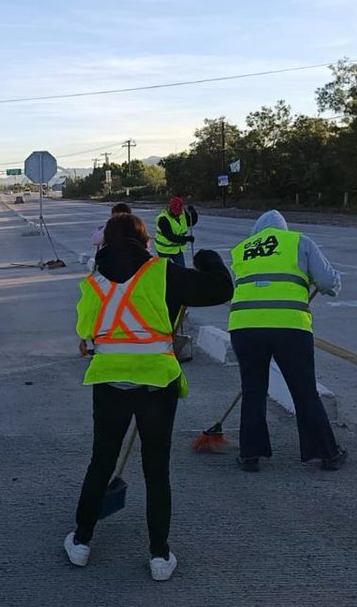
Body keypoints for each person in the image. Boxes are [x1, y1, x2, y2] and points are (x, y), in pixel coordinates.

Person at [68, 214, 233, 581]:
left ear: (106, 243)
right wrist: (207, 259)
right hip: (157, 386)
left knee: (101, 462)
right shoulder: (164, 273)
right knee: (156, 470)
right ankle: (160, 556)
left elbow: (86, 333)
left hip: (110, 384)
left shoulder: (94, 283)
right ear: (145, 243)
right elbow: (222, 289)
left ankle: (80, 542)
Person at [229, 209, 345, 472]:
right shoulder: (299, 242)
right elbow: (327, 281)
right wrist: (327, 285)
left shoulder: (242, 249)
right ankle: (327, 453)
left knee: (253, 391)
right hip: (289, 328)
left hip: (245, 327)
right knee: (304, 391)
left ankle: (250, 455)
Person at [153, 197, 198, 267]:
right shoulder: (163, 219)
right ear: (170, 208)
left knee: (182, 269)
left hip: (176, 249)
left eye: (179, 212)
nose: (177, 214)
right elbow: (171, 237)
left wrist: (193, 212)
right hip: (164, 249)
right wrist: (187, 239)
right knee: (166, 269)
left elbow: (190, 222)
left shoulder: (182, 213)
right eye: (175, 212)